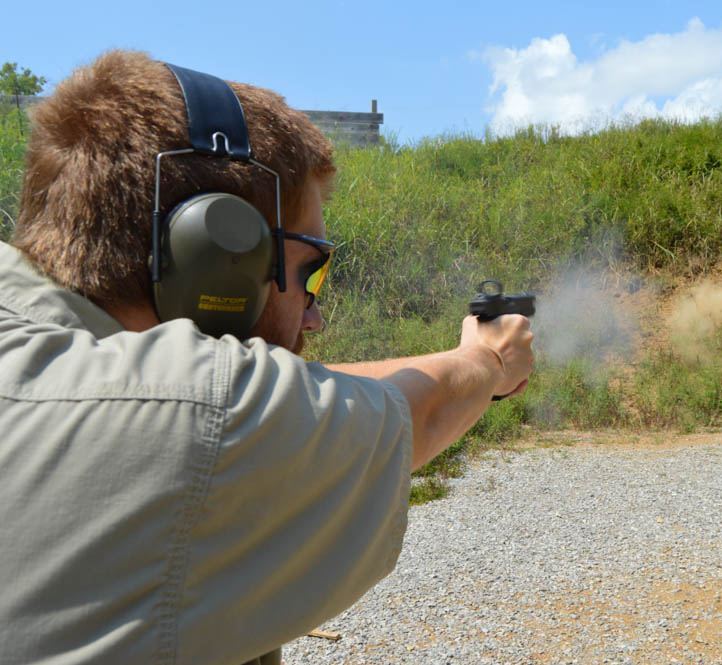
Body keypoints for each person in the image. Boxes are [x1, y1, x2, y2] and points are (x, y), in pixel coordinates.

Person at [0, 50, 533, 665]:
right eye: (310, 270)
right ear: (215, 259)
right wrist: (490, 360)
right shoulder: (198, 421)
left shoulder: (62, 362)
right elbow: (417, 413)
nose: (314, 314)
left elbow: (264, 392)